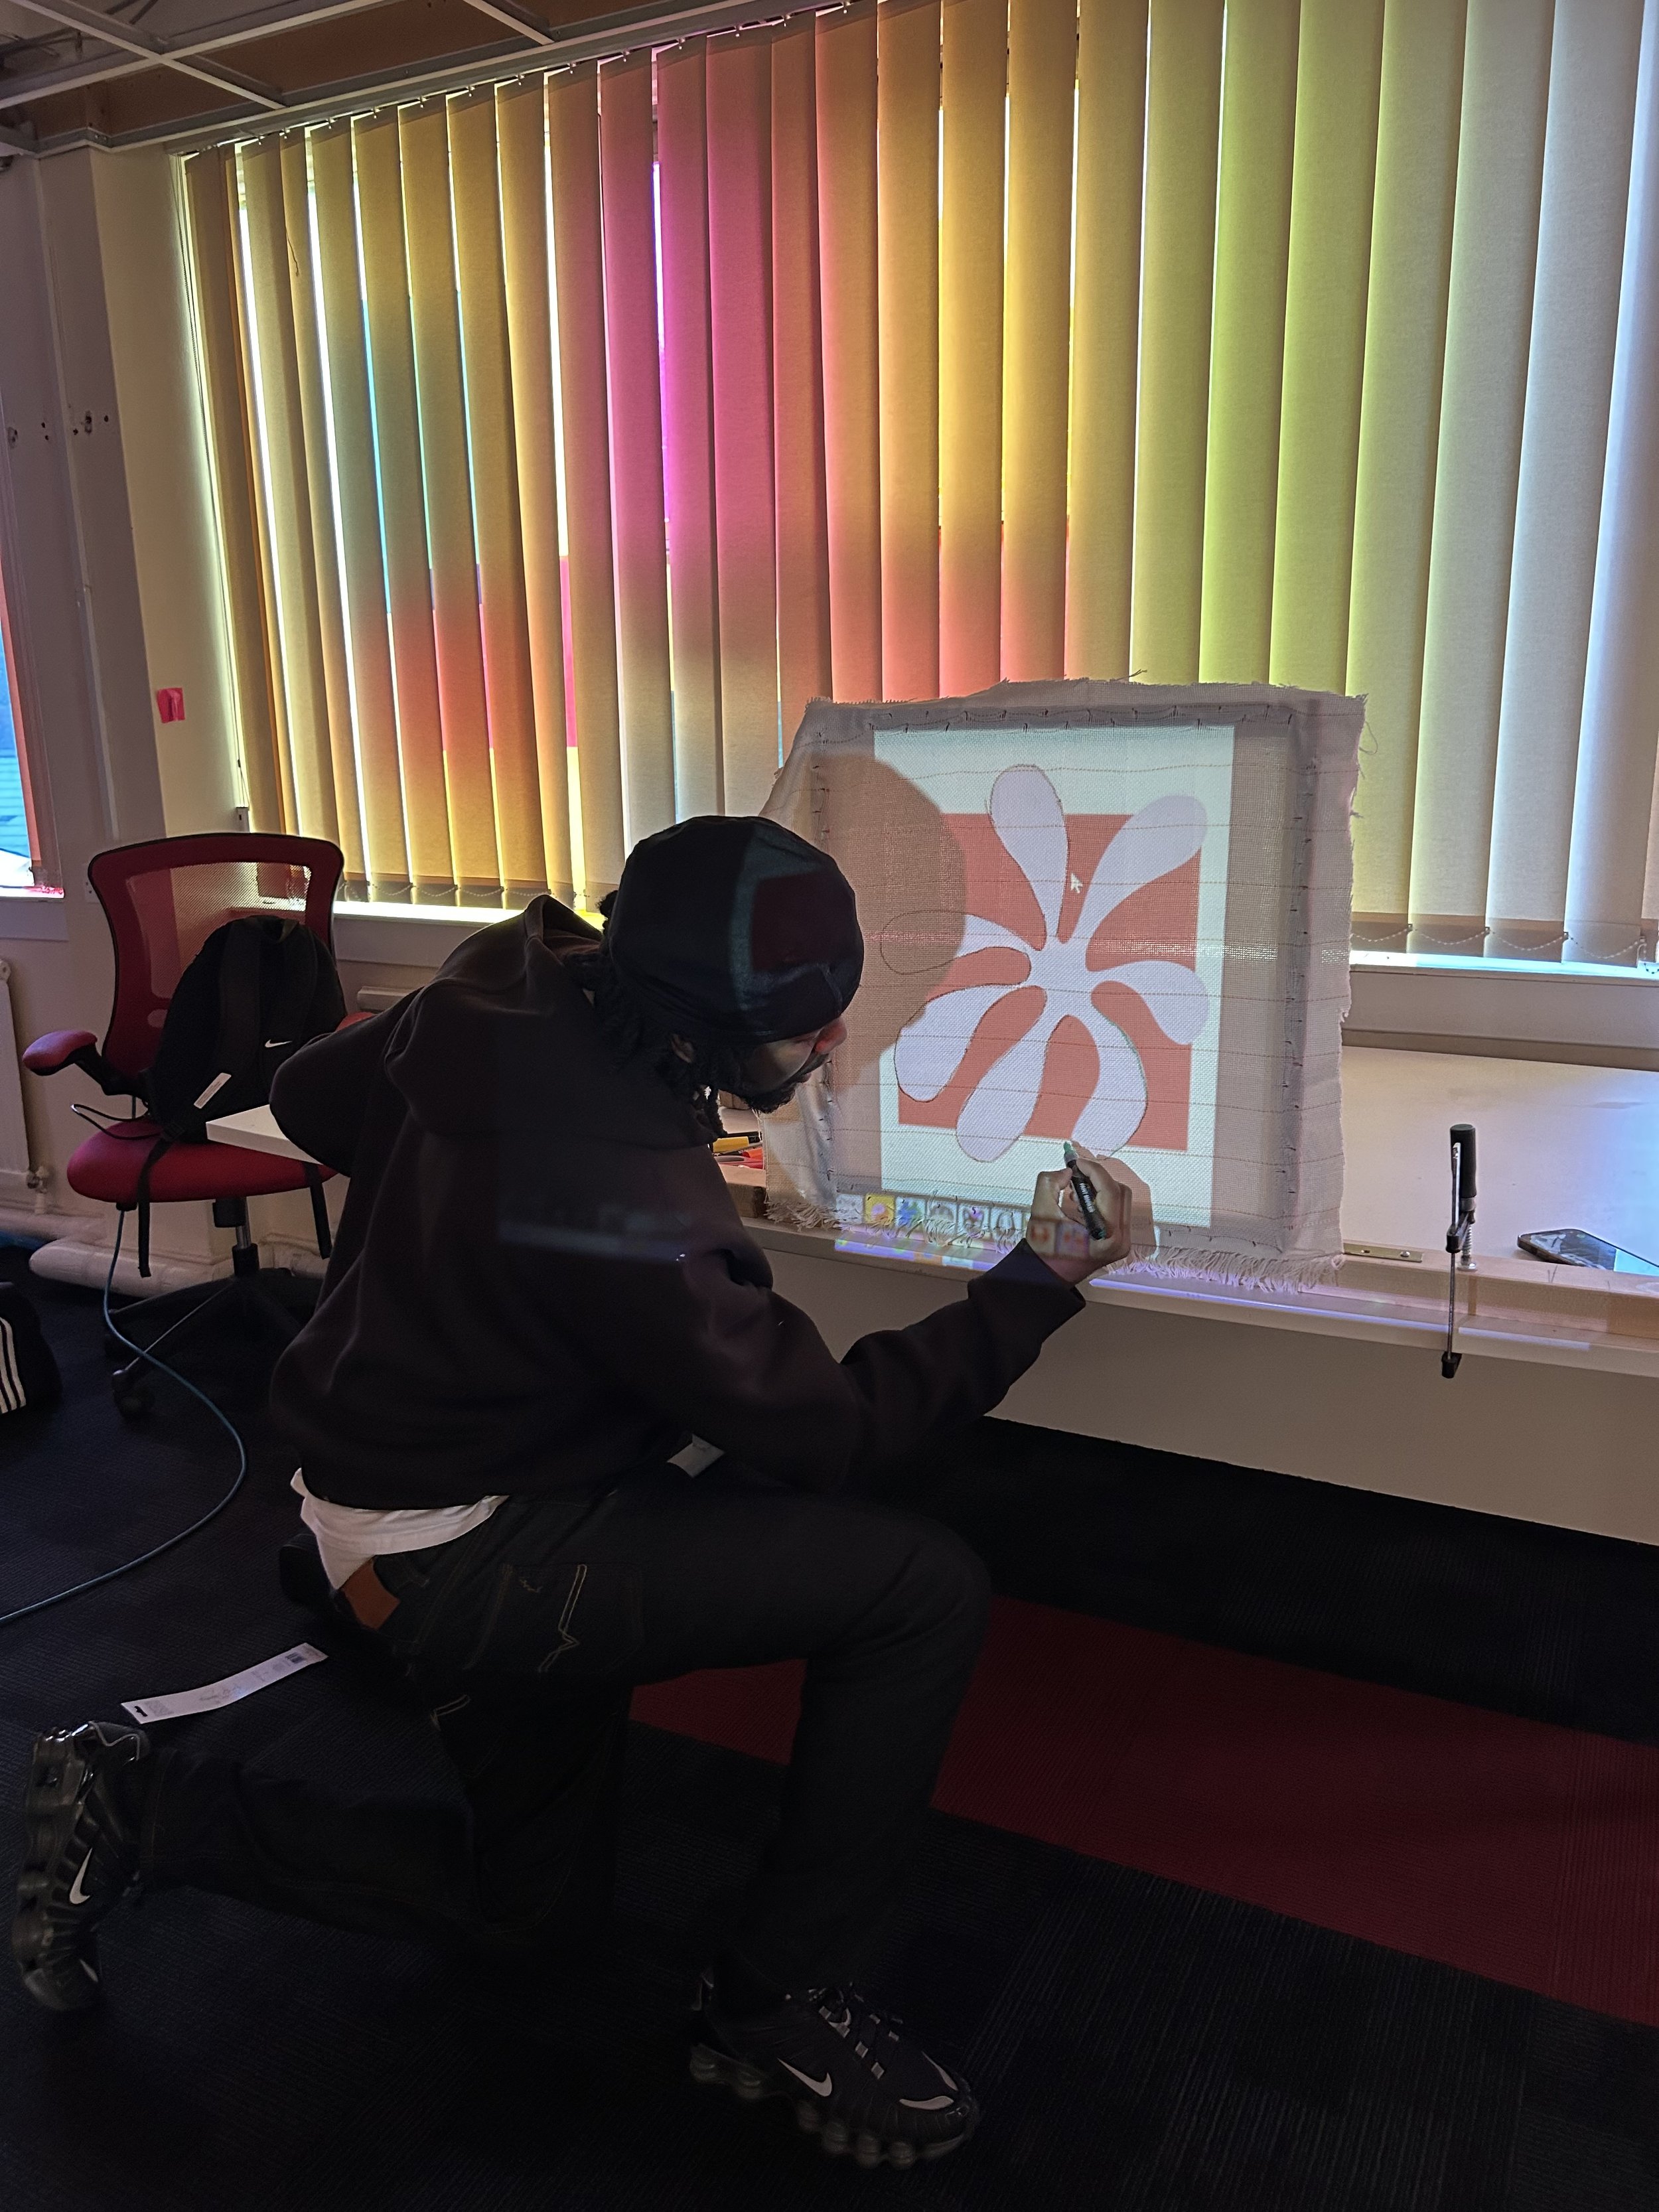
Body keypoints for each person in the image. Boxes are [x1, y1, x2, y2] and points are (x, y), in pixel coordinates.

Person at [12, 816, 1133, 2172]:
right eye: (805, 1028)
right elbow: (833, 1433)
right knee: (920, 1588)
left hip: (398, 1472)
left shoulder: (515, 971)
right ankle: (775, 2000)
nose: (833, 1040)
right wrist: (1039, 1279)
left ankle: (137, 1804)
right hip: (462, 1547)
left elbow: (309, 1095)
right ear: (696, 1027)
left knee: (527, 1915)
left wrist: (493, 1235)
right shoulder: (619, 1191)